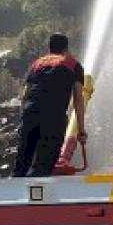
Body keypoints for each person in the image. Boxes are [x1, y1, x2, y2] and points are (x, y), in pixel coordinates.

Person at [14, 32, 86, 177]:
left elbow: (24, 95)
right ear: (66, 48)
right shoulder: (73, 64)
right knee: (44, 165)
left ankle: (15, 196)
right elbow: (78, 100)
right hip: (53, 118)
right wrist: (81, 131)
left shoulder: (37, 64)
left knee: (21, 165)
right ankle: (37, 196)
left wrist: (22, 123)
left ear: (49, 48)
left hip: (29, 116)